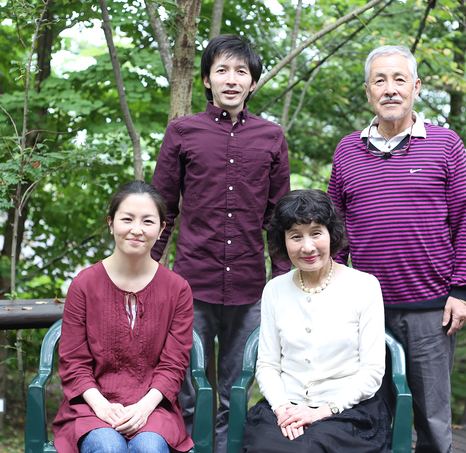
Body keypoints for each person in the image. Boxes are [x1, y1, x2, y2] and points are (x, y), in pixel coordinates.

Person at [328, 45, 466, 453]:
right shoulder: (347, 150)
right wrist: (331, 293)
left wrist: (462, 290)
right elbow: (333, 229)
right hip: (365, 310)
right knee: (370, 416)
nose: (390, 89)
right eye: (380, 80)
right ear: (368, 91)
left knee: (431, 417)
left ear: (416, 87)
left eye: (399, 80)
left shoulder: (446, 144)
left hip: (432, 311)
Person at [151, 34, 291, 453]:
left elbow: (277, 217)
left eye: (241, 72)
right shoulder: (182, 132)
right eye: (222, 70)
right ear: (208, 80)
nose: (232, 79)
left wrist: (284, 280)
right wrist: (147, 273)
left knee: (237, 384)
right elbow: (163, 210)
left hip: (250, 288)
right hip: (190, 283)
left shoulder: (271, 137)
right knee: (190, 385)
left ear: (252, 83)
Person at [241, 189, 390, 453]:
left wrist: (322, 411)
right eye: (295, 236)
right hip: (284, 408)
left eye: (316, 233)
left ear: (332, 233)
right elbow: (267, 364)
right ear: (283, 241)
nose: (307, 247)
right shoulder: (274, 289)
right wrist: (282, 408)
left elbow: (372, 371)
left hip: (346, 411)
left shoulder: (365, 286)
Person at [53, 181, 194, 453]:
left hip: (154, 408)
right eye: (127, 219)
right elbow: (73, 362)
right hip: (92, 406)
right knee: (108, 447)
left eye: (148, 221)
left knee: (150, 448)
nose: (137, 230)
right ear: (111, 222)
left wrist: (143, 408)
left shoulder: (178, 289)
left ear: (162, 228)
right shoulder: (84, 284)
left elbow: (173, 365)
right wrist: (102, 406)